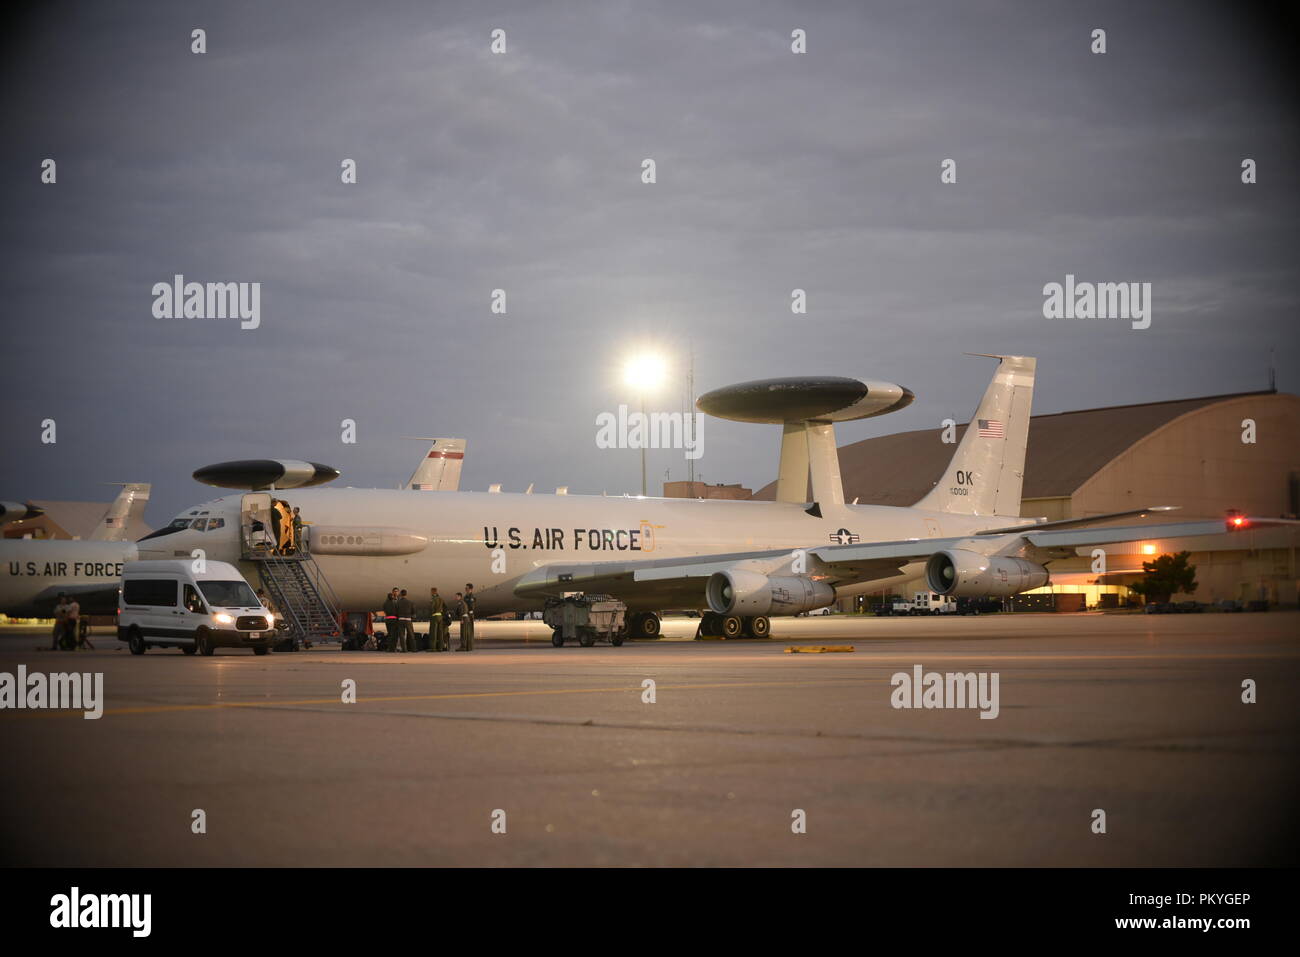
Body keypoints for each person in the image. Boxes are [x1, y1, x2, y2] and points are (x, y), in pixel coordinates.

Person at [428, 587, 446, 652]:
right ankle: (440, 647)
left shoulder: (433, 599)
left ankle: (433, 648)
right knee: (440, 632)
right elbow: (445, 607)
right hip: (440, 616)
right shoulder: (441, 599)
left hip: (434, 616)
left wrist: (431, 614)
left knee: (433, 633)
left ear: (433, 592)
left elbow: (431, 608)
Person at [460, 583, 476, 651]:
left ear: (471, 589)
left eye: (467, 588)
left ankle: (469, 647)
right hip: (466, 615)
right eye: (465, 588)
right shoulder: (466, 597)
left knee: (469, 631)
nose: (466, 590)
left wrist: (468, 613)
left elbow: (471, 607)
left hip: (469, 615)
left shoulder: (471, 597)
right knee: (465, 631)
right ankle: (466, 646)